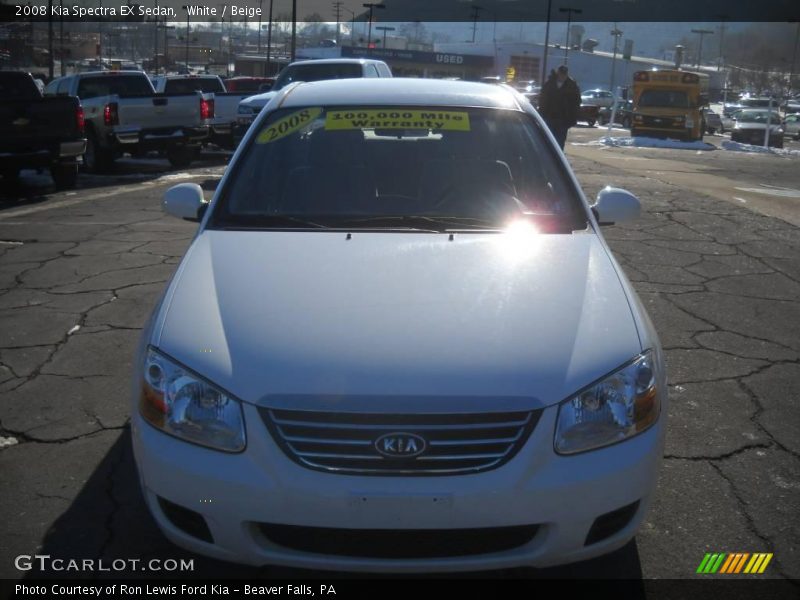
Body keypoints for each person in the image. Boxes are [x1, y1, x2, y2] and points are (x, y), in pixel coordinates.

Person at [537, 65, 581, 150]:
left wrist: (573, 118)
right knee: (548, 140)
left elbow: (576, 103)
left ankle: (558, 156)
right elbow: (542, 100)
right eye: (561, 74)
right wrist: (542, 114)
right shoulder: (550, 83)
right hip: (549, 117)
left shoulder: (572, 86)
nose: (562, 76)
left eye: (564, 74)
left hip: (564, 119)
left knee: (560, 142)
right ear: (558, 73)